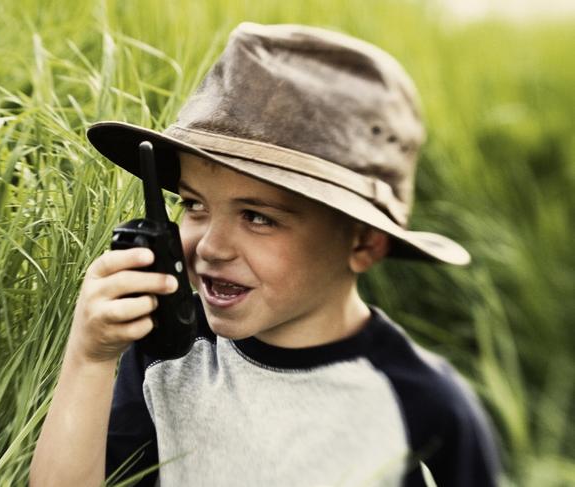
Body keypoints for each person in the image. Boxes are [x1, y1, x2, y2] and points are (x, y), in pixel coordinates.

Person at [30, 22, 500, 486]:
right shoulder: (168, 354)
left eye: (258, 217)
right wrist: (89, 359)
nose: (211, 247)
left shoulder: (422, 402)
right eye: (194, 205)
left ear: (362, 242)